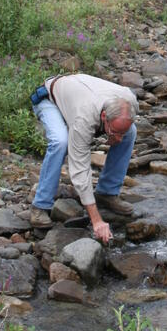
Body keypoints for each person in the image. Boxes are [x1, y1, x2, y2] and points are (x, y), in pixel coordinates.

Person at [29, 73, 138, 243]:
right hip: (50, 99)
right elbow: (79, 170)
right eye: (115, 131)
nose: (119, 137)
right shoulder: (84, 118)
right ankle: (40, 205)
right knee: (60, 142)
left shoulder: (130, 101)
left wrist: (118, 134)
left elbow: (124, 127)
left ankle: (107, 193)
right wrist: (96, 221)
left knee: (131, 133)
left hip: (79, 94)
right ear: (104, 118)